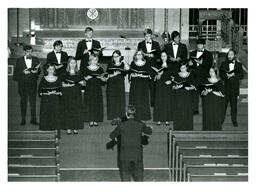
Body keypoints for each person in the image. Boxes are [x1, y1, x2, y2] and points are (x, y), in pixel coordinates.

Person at [109, 105, 152, 181]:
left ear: (126, 113)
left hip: (125, 154)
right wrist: (150, 128)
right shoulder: (140, 124)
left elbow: (112, 135)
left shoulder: (121, 125)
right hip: (137, 154)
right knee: (139, 177)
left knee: (125, 176)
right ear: (134, 113)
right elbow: (149, 131)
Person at [13, 45, 41, 126]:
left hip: (33, 84)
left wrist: (37, 71)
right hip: (23, 85)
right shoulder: (19, 60)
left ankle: (33, 120)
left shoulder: (36, 59)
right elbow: (15, 75)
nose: (29, 53)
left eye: (31, 51)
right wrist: (23, 72)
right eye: (28, 51)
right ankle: (23, 119)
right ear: (24, 52)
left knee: (33, 102)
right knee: (23, 102)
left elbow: (39, 70)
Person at [166, 63, 196, 131]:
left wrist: (190, 88)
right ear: (179, 68)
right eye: (181, 68)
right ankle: (178, 128)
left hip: (187, 95)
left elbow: (194, 86)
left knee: (187, 111)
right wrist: (177, 87)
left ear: (186, 68)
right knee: (178, 111)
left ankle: (188, 128)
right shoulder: (177, 75)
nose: (183, 69)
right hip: (179, 96)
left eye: (184, 68)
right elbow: (173, 87)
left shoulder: (190, 75)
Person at [189, 38, 213, 115]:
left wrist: (201, 63)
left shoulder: (208, 54)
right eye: (198, 44)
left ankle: (206, 109)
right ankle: (195, 109)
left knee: (204, 93)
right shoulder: (192, 53)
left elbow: (210, 65)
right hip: (194, 76)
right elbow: (189, 64)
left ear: (204, 45)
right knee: (194, 94)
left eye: (201, 44)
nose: (199, 45)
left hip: (204, 76)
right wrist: (190, 64)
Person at [219, 49, 244, 127]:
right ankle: (220, 121)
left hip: (234, 89)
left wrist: (233, 75)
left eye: (231, 54)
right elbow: (220, 74)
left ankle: (234, 122)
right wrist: (226, 76)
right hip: (226, 88)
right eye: (229, 54)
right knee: (223, 107)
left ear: (234, 55)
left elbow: (241, 75)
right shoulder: (223, 63)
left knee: (234, 107)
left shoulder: (239, 65)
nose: (230, 56)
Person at [60, 57, 85, 134]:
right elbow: (61, 84)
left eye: (74, 63)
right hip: (67, 93)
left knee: (76, 110)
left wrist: (82, 83)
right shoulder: (64, 73)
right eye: (71, 63)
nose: (73, 65)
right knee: (68, 110)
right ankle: (68, 127)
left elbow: (84, 83)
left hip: (76, 94)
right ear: (68, 64)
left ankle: (75, 127)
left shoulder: (79, 72)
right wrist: (67, 85)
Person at [137, 28, 161, 107]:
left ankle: (153, 103)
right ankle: (143, 102)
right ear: (144, 37)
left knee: (152, 86)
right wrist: (144, 55)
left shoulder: (156, 44)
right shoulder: (140, 44)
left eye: (149, 36)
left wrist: (153, 55)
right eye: (146, 36)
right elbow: (138, 55)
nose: (147, 38)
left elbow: (159, 55)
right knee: (143, 86)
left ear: (151, 36)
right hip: (143, 67)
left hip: (153, 67)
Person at [106, 50, 129, 126]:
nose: (115, 58)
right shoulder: (110, 64)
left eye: (117, 56)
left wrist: (124, 61)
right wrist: (114, 74)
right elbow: (107, 75)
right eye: (114, 56)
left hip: (120, 84)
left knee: (120, 100)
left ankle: (120, 118)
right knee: (112, 100)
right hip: (112, 84)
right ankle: (113, 118)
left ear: (120, 56)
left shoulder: (122, 64)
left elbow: (128, 70)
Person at [83, 54, 106, 126]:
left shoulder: (100, 69)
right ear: (90, 60)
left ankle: (96, 119)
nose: (94, 61)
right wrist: (87, 78)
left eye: (95, 60)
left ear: (97, 60)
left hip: (97, 88)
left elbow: (104, 80)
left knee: (96, 103)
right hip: (89, 88)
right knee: (89, 103)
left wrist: (101, 78)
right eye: (92, 60)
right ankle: (90, 119)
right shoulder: (86, 68)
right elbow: (83, 79)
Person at [129, 50, 152, 121]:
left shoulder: (147, 63)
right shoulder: (133, 63)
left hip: (143, 83)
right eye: (137, 54)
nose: (139, 56)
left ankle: (143, 116)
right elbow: (130, 73)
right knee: (135, 99)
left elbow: (150, 74)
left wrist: (142, 75)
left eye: (140, 54)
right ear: (135, 56)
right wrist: (133, 75)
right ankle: (133, 116)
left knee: (143, 99)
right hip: (135, 83)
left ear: (142, 56)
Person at [38, 63, 62, 131]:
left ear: (54, 70)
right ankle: (45, 129)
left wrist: (57, 92)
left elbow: (61, 89)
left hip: (55, 99)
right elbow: (40, 89)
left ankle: (55, 129)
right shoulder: (44, 78)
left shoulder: (58, 78)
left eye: (52, 69)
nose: (51, 70)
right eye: (49, 69)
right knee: (46, 114)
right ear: (47, 70)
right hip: (46, 100)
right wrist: (45, 92)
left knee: (55, 114)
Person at [153, 50, 174, 126]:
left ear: (167, 57)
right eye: (162, 56)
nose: (163, 58)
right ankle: (159, 119)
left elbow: (174, 76)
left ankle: (167, 119)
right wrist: (159, 74)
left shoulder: (171, 65)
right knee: (159, 101)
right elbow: (157, 78)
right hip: (160, 84)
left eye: (164, 56)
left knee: (167, 101)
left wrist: (171, 81)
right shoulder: (158, 64)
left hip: (167, 84)